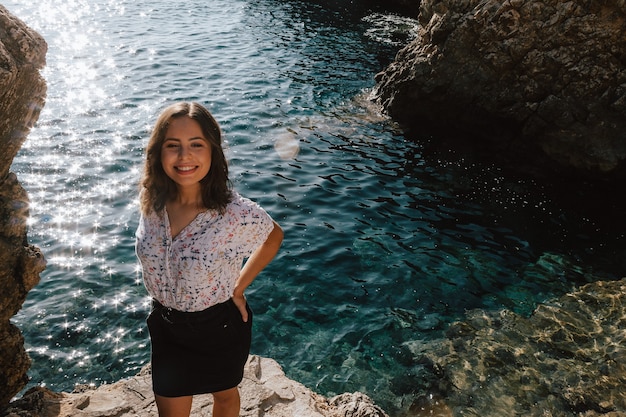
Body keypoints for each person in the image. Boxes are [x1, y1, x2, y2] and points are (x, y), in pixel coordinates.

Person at [135, 101, 284, 417]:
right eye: (172, 146)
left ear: (213, 151)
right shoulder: (152, 201)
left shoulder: (233, 213)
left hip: (219, 325)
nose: (184, 156)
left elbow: (273, 237)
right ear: (158, 152)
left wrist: (238, 288)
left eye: (196, 145)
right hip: (166, 326)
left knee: (226, 397)